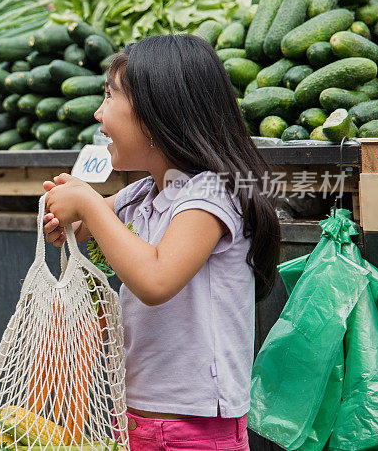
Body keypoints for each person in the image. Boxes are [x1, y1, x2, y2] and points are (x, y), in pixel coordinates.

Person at [42, 34, 280, 450]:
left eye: (110, 97)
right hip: (135, 421)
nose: (99, 113)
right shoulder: (144, 194)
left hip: (196, 434)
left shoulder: (210, 195)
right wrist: (63, 213)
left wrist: (88, 205)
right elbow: (82, 225)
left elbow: (155, 280)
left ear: (155, 115)